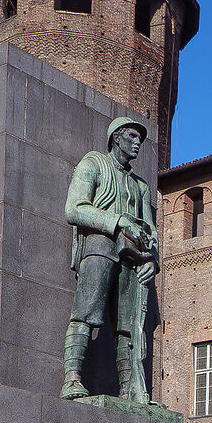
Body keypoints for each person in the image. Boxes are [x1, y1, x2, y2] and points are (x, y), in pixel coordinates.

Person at [62, 115, 158, 403]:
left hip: (132, 257)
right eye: (131, 136)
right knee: (86, 312)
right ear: (116, 137)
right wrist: (118, 221)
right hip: (99, 244)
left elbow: (150, 230)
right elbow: (75, 209)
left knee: (129, 325)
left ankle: (129, 388)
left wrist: (152, 260)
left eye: (140, 137)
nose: (137, 142)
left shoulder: (140, 186)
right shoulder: (93, 164)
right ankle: (71, 377)